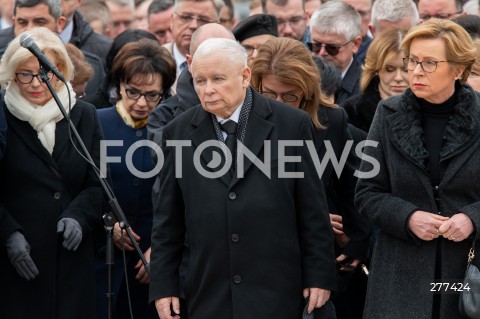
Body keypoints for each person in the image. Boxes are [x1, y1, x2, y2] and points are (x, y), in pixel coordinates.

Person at [149, 38, 336, 319]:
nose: (208, 89)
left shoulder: (291, 125)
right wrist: (163, 287)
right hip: (210, 291)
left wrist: (319, 276)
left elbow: (313, 210)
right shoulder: (177, 133)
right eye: (200, 80)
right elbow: (167, 221)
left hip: (277, 289)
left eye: (218, 79)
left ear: (245, 76)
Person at [355, 18, 479, 319]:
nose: (416, 71)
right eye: (412, 61)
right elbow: (367, 193)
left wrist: (473, 218)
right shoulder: (387, 113)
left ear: (458, 69)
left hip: (463, 274)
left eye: (429, 63)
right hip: (400, 273)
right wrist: (407, 217)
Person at [251, 36, 371, 319]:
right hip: (255, 259)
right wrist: (306, 214)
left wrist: (356, 241)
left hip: (313, 260)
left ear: (307, 92)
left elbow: (349, 185)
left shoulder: (332, 120)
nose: (279, 104)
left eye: (290, 96)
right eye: (269, 95)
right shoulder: (237, 122)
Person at [0, 26, 104, 318]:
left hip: (70, 262)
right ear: (11, 74)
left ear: (60, 70)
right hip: (18, 261)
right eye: (25, 74)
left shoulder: (83, 115)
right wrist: (8, 234)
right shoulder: (2, 115)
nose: (36, 83)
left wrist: (79, 216)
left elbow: (98, 184)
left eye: (45, 72)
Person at [96, 38, 175, 319]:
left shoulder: (174, 129)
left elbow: (186, 199)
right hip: (105, 264)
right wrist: (107, 223)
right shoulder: (96, 122)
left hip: (156, 269)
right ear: (118, 86)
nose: (142, 103)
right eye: (133, 92)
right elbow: (81, 188)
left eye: (152, 95)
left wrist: (162, 251)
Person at [342, 27, 409, 134]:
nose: (398, 78)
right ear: (376, 69)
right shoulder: (352, 112)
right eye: (389, 69)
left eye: (406, 69)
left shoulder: (429, 110)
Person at [83, 28, 159, 108]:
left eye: (147, 64)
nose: (137, 70)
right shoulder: (90, 108)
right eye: (130, 64)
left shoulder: (169, 110)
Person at [308, 1, 362, 104]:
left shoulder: (366, 89)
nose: (322, 53)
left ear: (355, 44)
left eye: (332, 48)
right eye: (316, 45)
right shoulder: (299, 79)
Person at [164, 0, 223, 93]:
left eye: (203, 20)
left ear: (217, 26)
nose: (193, 25)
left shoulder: (229, 64)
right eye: (186, 17)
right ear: (172, 20)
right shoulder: (154, 60)